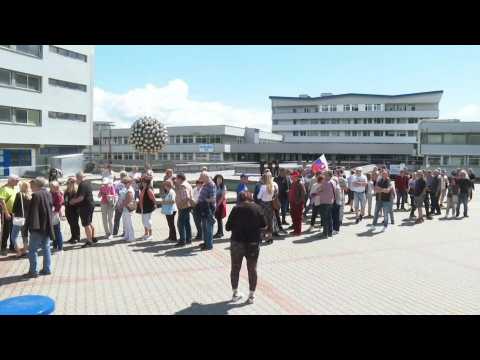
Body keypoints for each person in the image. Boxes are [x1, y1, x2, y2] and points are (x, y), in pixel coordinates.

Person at [226, 192, 266, 304]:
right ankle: (252, 295)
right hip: (253, 243)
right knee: (252, 269)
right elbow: (264, 224)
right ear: (250, 198)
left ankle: (235, 293)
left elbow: (227, 227)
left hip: (237, 243)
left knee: (235, 268)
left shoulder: (235, 209)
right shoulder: (257, 208)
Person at [23, 177, 54, 278]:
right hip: (47, 226)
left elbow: (32, 213)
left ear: (37, 185)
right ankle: (47, 269)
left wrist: (27, 227)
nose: (31, 186)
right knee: (46, 248)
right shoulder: (48, 193)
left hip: (37, 226)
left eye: (33, 185)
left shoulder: (36, 195)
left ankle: (33, 271)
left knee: (32, 250)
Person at [69, 172, 96, 248]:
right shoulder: (87, 183)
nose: (76, 181)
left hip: (85, 207)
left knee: (86, 224)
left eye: (76, 179)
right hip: (90, 205)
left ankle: (89, 241)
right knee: (89, 222)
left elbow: (81, 198)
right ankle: (92, 237)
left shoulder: (82, 185)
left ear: (78, 178)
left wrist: (72, 201)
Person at [10, 181, 32, 258]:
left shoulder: (19, 195)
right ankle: (25, 250)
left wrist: (12, 214)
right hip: (27, 219)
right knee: (25, 235)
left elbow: (14, 208)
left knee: (13, 236)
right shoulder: (30, 195)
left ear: (22, 187)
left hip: (19, 218)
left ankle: (18, 251)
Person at [256, 172, 278, 244]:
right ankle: (270, 238)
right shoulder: (273, 186)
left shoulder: (263, 187)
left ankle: (261, 237)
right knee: (270, 221)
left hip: (263, 205)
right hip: (270, 205)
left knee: (263, 221)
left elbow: (258, 197)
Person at [0, 175, 20, 256]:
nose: (18, 182)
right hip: (7, 213)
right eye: (16, 180)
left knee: (13, 230)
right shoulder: (4, 189)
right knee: (6, 231)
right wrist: (6, 213)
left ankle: (12, 246)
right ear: (11, 180)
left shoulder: (15, 188)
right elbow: (1, 201)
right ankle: (3, 248)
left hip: (14, 213)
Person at [197, 171, 216, 250]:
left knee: (208, 227)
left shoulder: (211, 185)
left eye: (202, 178)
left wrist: (204, 200)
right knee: (204, 227)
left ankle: (209, 245)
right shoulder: (206, 184)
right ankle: (206, 243)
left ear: (206, 177)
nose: (201, 180)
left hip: (208, 209)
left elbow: (213, 199)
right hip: (204, 208)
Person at [174, 173, 194, 246]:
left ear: (180, 178)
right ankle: (188, 239)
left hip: (183, 207)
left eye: (177, 178)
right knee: (187, 223)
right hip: (187, 206)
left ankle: (182, 241)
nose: (176, 180)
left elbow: (186, 198)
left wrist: (180, 205)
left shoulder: (183, 186)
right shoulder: (187, 184)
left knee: (180, 224)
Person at [317, 171, 336, 238]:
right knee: (329, 217)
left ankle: (325, 234)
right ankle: (330, 232)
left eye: (326, 175)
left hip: (324, 202)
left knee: (324, 218)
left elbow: (319, 190)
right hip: (330, 202)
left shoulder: (325, 182)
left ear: (329, 176)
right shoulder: (333, 182)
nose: (324, 176)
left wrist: (318, 190)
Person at [288, 171, 306, 236]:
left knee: (298, 218)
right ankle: (295, 230)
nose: (291, 177)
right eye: (291, 176)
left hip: (298, 204)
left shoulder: (300, 183)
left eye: (292, 176)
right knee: (294, 217)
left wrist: (298, 202)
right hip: (292, 203)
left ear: (296, 177)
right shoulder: (293, 183)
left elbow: (303, 194)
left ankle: (298, 232)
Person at [139, 176, 156, 241]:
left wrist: (155, 205)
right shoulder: (143, 188)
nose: (142, 183)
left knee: (148, 221)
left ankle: (150, 235)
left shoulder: (148, 190)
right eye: (142, 182)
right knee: (144, 221)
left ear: (147, 183)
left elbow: (153, 198)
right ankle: (146, 234)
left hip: (148, 207)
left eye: (144, 182)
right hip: (143, 207)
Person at [64, 177, 80, 244]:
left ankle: (77, 237)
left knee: (75, 224)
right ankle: (73, 236)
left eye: (69, 183)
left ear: (73, 183)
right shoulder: (66, 191)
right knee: (71, 224)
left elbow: (77, 201)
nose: (68, 184)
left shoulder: (75, 191)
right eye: (67, 183)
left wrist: (73, 202)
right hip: (67, 209)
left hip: (74, 210)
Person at [120, 176, 136, 242]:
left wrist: (122, 204)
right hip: (125, 208)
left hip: (128, 208)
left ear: (129, 183)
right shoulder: (127, 189)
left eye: (125, 183)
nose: (124, 184)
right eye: (124, 183)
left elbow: (128, 200)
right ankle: (127, 236)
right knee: (126, 223)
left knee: (129, 223)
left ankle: (131, 237)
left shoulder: (130, 190)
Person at [50, 181, 65, 253]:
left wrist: (53, 209)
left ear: (56, 187)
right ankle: (55, 245)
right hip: (51, 214)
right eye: (51, 186)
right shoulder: (51, 193)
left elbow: (59, 205)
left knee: (57, 231)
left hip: (55, 214)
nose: (50, 188)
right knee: (53, 231)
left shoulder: (57, 194)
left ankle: (60, 248)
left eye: (52, 186)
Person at [113, 171, 128, 237]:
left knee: (123, 219)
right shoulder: (118, 184)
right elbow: (115, 193)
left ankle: (123, 232)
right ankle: (115, 232)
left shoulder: (127, 184)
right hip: (119, 203)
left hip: (124, 204)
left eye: (123, 176)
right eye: (122, 176)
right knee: (117, 218)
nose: (122, 177)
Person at [213, 174, 227, 239]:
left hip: (220, 204)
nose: (219, 180)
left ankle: (220, 233)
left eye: (220, 179)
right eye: (218, 179)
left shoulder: (223, 186)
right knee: (218, 218)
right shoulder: (214, 186)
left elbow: (222, 197)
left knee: (219, 218)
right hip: (215, 204)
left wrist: (217, 204)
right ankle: (219, 232)